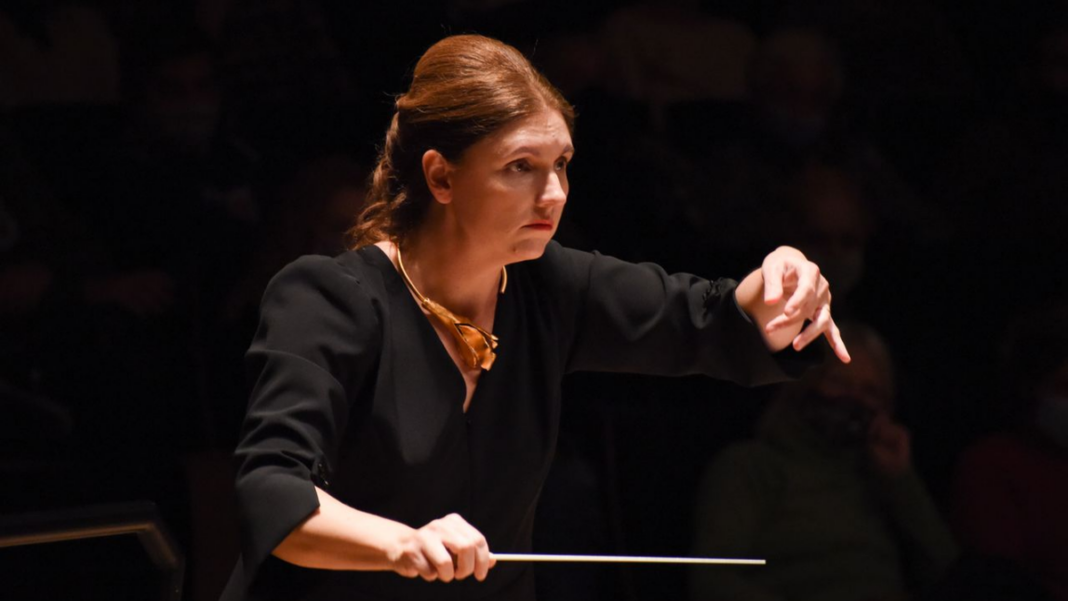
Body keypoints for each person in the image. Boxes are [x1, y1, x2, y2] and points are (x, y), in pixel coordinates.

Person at [220, 34, 851, 601]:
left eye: (561, 165)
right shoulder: (328, 299)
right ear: (440, 176)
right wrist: (399, 544)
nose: (552, 195)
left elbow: (705, 317)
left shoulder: (549, 286)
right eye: (520, 167)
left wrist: (779, 287)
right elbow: (272, 489)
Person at [689, 322, 957, 601]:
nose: (853, 400)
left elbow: (951, 573)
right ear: (805, 386)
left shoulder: (879, 478)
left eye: (870, 392)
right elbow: (713, 580)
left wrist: (901, 479)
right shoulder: (752, 466)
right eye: (839, 382)